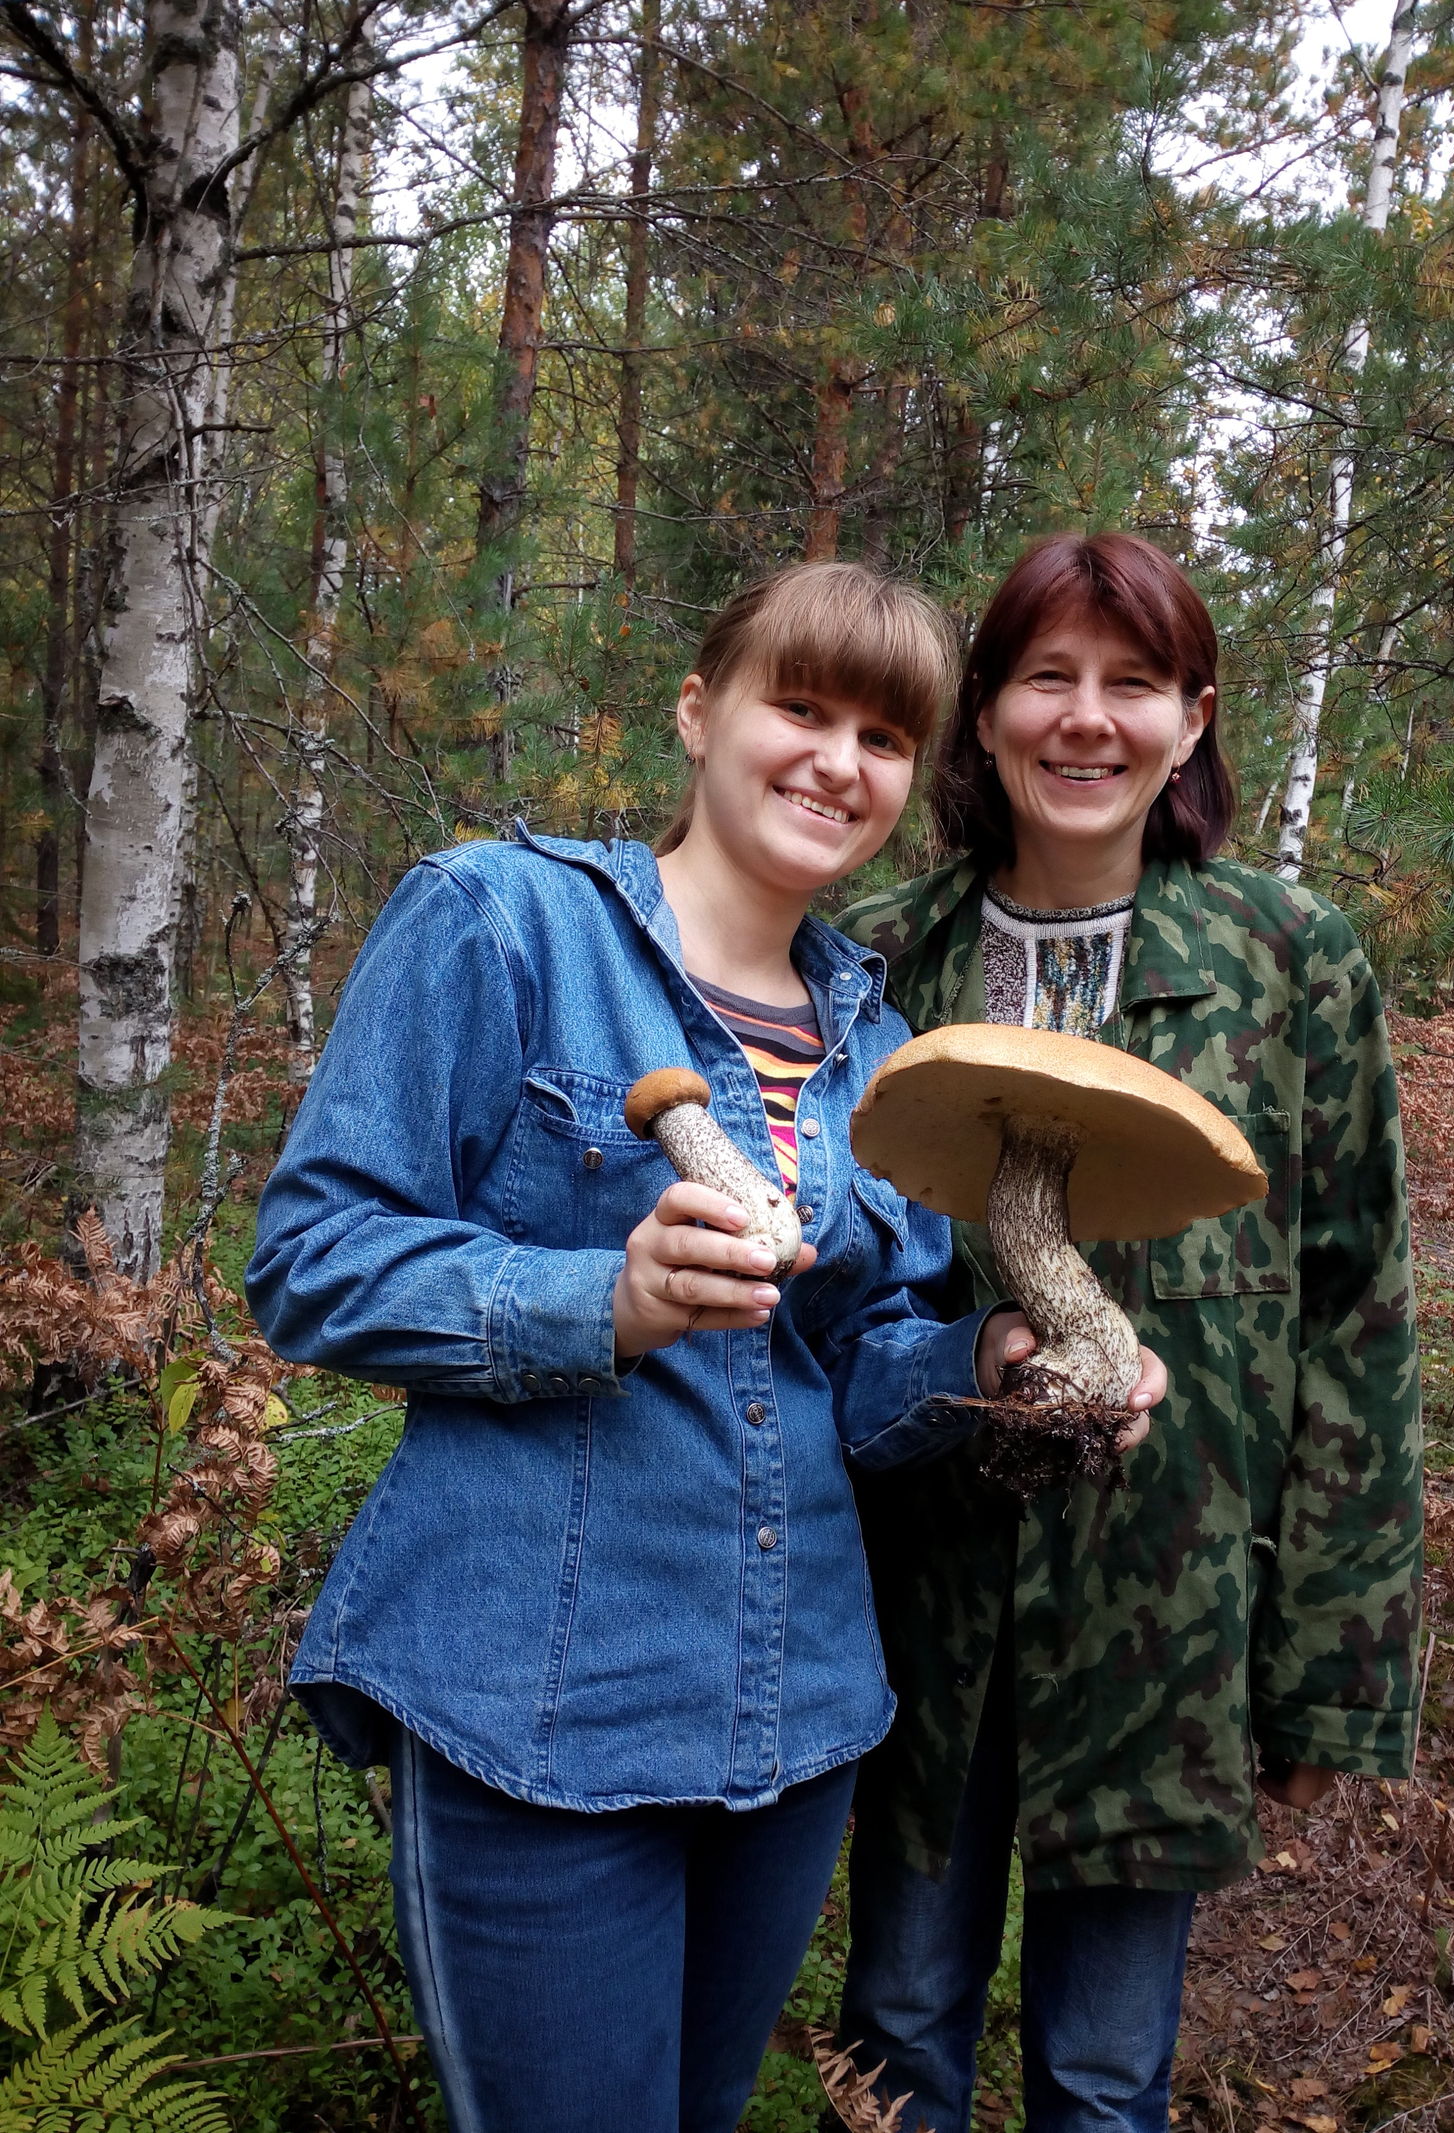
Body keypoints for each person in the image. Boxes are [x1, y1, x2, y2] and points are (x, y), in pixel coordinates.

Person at [245, 560, 1164, 2133]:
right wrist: (602, 1297)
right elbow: (313, 1260)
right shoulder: (503, 921)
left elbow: (848, 1368)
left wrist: (991, 1362)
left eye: (882, 736)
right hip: (533, 1711)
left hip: (792, 1716)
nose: (836, 761)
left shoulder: (878, 1044)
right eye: (797, 708)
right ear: (697, 710)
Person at [834, 533, 1423, 2133]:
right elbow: (827, 1287)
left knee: (1103, 2075)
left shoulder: (1290, 962)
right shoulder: (886, 959)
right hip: (922, 1605)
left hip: (1172, 1615)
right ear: (988, 716)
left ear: (1192, 721)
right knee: (894, 2034)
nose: (1086, 720)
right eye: (1047, 677)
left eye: (1134, 684)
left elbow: (1356, 1318)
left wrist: (1332, 1680)